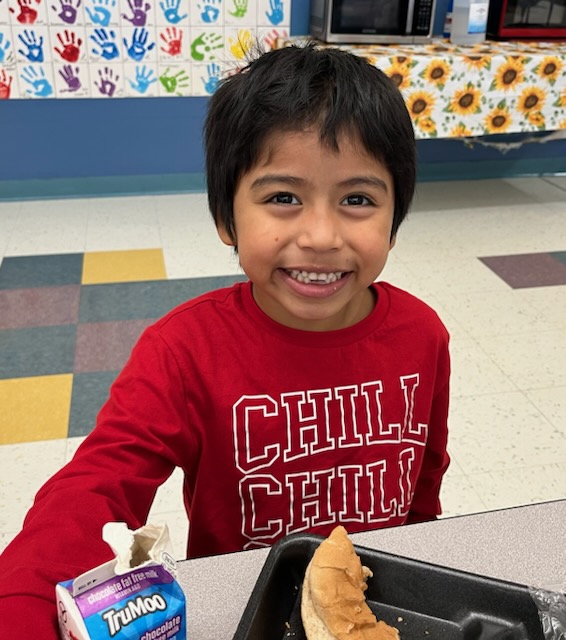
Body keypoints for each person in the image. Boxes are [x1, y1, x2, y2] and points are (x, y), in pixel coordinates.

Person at [0, 42, 450, 637]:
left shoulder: (422, 334)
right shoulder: (183, 350)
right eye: (283, 198)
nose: (321, 235)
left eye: (357, 199)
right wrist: (23, 603)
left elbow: (425, 481)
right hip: (247, 609)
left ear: (394, 221)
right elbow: (96, 486)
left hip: (377, 600)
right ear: (226, 219)